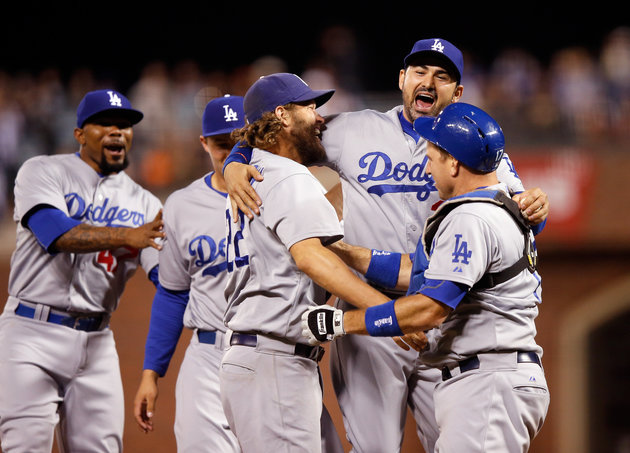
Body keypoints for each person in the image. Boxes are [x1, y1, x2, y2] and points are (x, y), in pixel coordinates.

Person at [222, 38, 549, 452]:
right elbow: (274, 131)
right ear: (402, 79)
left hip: (447, 319)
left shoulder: (480, 151)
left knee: (457, 437)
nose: (428, 81)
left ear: (457, 92)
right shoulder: (353, 129)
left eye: (442, 76)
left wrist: (538, 212)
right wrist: (235, 162)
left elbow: (518, 228)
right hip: (369, 313)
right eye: (419, 72)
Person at [302, 102, 550, 453]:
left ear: (454, 162)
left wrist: (343, 322)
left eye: (432, 154)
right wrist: (347, 251)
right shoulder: (494, 206)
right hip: (491, 376)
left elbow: (429, 309)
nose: (427, 163)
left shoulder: (471, 219)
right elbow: (417, 274)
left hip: (488, 380)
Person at [219, 72, 396, 453]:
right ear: (282, 115)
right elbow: (313, 259)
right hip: (273, 361)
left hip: (265, 357)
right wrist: (390, 312)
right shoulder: (289, 180)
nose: (320, 118)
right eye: (310, 107)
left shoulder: (255, 174)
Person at [0, 89, 165, 453]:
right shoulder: (43, 170)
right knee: (25, 447)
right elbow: (54, 232)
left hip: (97, 343)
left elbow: (165, 276)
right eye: (105, 123)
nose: (117, 131)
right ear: (79, 133)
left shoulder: (146, 203)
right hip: (31, 334)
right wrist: (128, 236)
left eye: (124, 125)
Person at [132, 95, 245, 452]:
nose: (230, 152)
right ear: (204, 143)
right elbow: (173, 293)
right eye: (220, 144)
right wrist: (152, 372)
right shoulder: (182, 205)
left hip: (272, 353)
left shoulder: (282, 195)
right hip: (207, 359)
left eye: (239, 141)